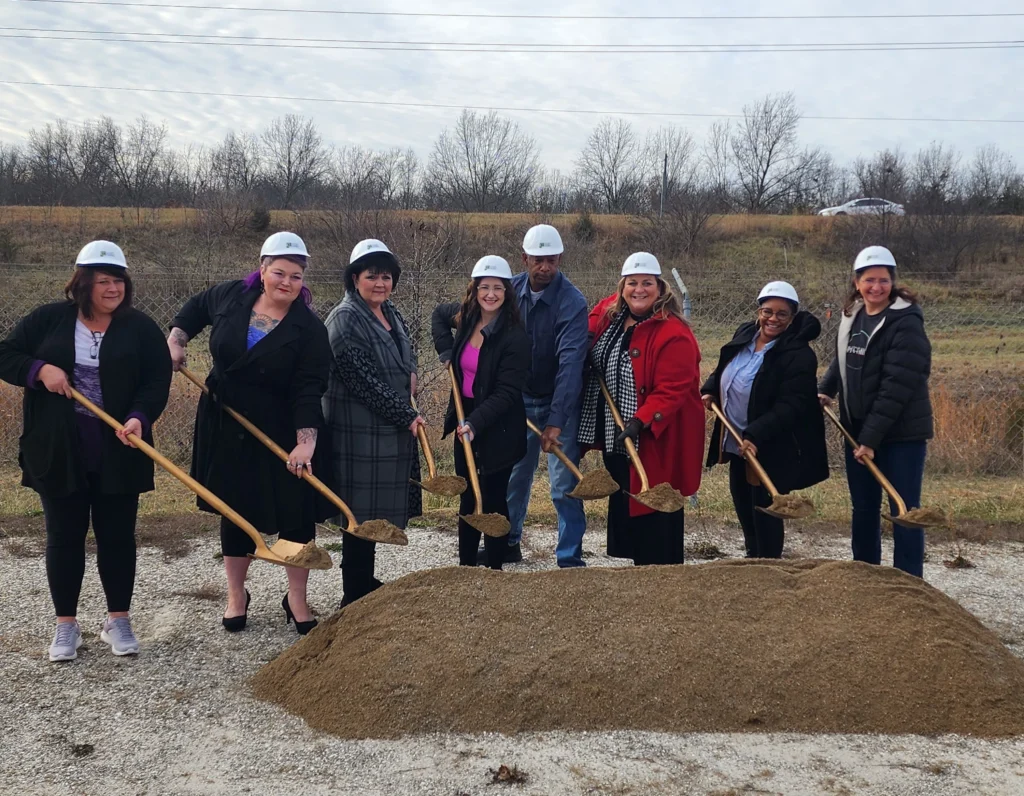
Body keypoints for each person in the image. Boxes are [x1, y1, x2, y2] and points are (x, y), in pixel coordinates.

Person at [0, 241, 171, 661]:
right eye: (103, 281)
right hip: (59, 448)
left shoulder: (140, 328)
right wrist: (40, 370)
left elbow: (156, 380)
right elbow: (5, 355)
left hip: (119, 448)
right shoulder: (49, 320)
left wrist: (138, 417)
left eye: (118, 281)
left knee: (117, 537)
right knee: (63, 536)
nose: (113, 289)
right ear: (82, 283)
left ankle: (118, 620)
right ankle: (66, 627)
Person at [167, 232, 332, 635]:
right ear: (262, 269)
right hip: (225, 419)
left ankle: (296, 598)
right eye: (279, 273)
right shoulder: (229, 297)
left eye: (296, 276)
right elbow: (194, 309)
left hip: (279, 425)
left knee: (295, 509)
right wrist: (176, 339)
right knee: (235, 508)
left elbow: (310, 387)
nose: (287, 283)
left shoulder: (308, 329)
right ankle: (237, 594)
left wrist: (306, 440)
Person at [578, 253, 703, 565]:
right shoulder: (613, 315)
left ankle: (660, 569)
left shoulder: (673, 333)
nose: (639, 289)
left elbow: (674, 388)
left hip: (655, 436)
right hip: (616, 431)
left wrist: (642, 420)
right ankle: (637, 570)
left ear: (660, 288)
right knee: (627, 494)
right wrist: (585, 338)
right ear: (622, 287)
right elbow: (592, 320)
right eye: (632, 283)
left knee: (655, 501)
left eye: (647, 283)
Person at [818, 246, 933, 577]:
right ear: (857, 282)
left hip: (900, 434)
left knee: (904, 508)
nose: (876, 287)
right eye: (869, 280)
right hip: (859, 430)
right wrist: (827, 388)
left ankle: (908, 582)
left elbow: (897, 385)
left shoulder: (905, 322)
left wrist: (868, 439)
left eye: (883, 280)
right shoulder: (853, 314)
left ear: (892, 282)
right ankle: (866, 576)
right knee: (864, 508)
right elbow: (844, 357)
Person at [323, 239, 422, 605]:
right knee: (359, 514)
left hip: (385, 431)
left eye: (386, 276)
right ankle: (354, 593)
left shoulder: (389, 312)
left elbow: (407, 350)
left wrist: (410, 372)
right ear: (354, 278)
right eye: (371, 276)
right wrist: (407, 415)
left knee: (374, 512)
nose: (380, 283)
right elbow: (363, 381)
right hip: (357, 432)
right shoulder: (345, 319)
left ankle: (364, 580)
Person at [701, 281, 829, 558]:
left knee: (765, 510)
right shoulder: (746, 333)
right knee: (742, 502)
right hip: (737, 440)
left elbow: (792, 404)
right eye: (767, 311)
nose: (772, 319)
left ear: (792, 318)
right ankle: (753, 558)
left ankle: (769, 565)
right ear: (758, 311)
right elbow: (726, 364)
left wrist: (756, 434)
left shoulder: (799, 355)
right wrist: (711, 389)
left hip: (771, 443)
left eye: (782, 314)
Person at [431, 256, 530, 570]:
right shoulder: (465, 319)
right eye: (484, 287)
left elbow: (507, 392)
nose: (490, 294)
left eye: (497, 288)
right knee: (468, 495)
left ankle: (495, 568)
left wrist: (475, 423)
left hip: (498, 424)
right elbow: (437, 316)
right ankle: (466, 568)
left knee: (493, 497)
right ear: (474, 290)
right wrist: (447, 351)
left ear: (507, 292)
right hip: (466, 415)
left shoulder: (514, 336)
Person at [505, 224, 589, 567]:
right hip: (519, 399)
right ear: (525, 258)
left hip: (559, 399)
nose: (545, 267)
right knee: (515, 475)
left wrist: (556, 421)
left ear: (559, 259)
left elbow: (571, 365)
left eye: (551, 260)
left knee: (563, 483)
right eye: (538, 260)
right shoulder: (509, 291)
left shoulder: (572, 302)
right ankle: (508, 541)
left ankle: (569, 557)